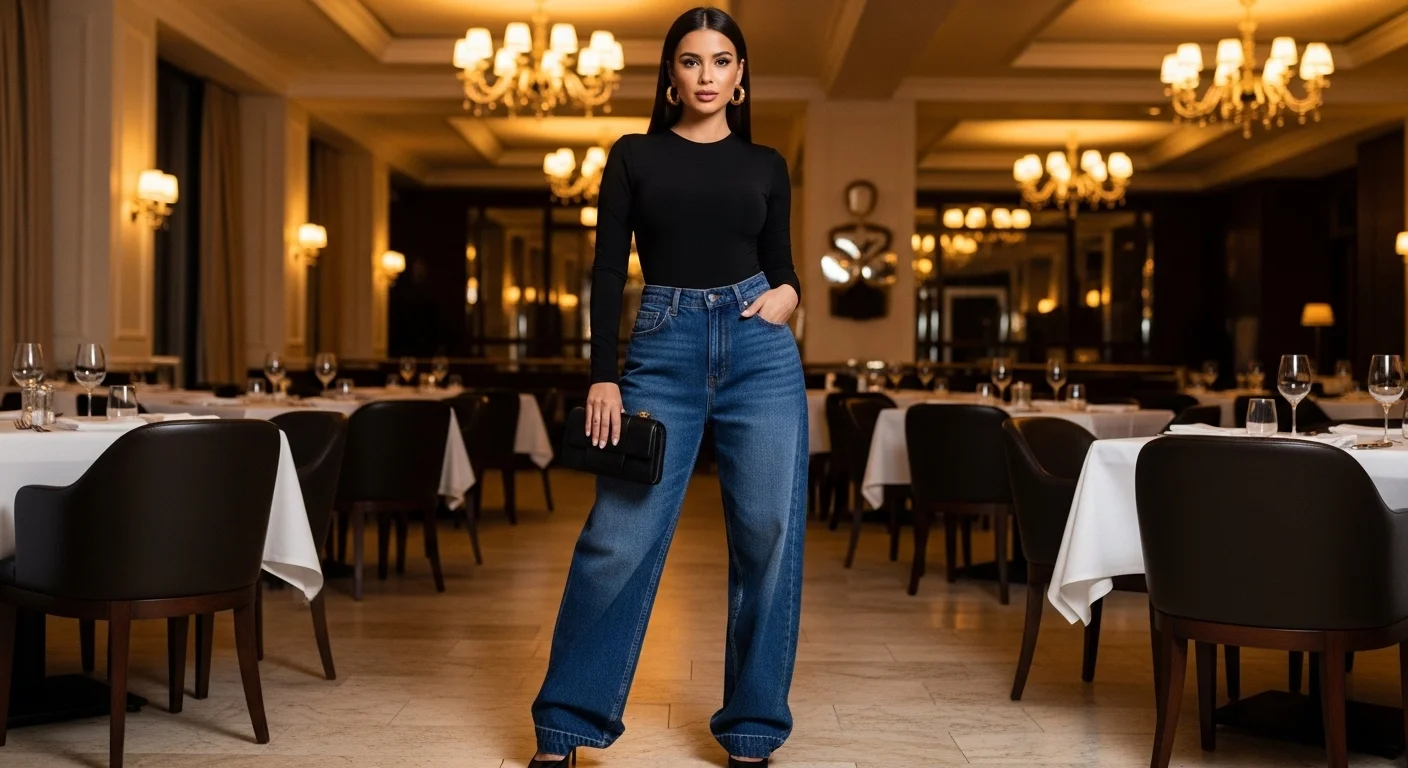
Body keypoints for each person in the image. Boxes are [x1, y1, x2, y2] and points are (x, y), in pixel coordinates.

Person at [527, 6, 807, 768]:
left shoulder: (767, 165)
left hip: (760, 350)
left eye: (722, 61)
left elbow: (783, 267)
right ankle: (564, 727)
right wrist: (602, 375)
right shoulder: (633, 156)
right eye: (692, 61)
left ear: (741, 78)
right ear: (671, 77)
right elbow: (608, 270)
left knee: (770, 538)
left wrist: (788, 294)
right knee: (617, 539)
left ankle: (753, 733)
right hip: (663, 345)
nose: (707, 75)